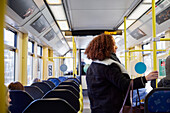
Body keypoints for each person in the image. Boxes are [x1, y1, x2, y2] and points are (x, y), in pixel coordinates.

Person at [84, 33, 158, 113]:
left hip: (97, 107)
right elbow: (124, 84)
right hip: (112, 108)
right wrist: (145, 78)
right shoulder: (108, 66)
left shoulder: (92, 67)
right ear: (107, 47)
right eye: (113, 44)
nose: (116, 47)